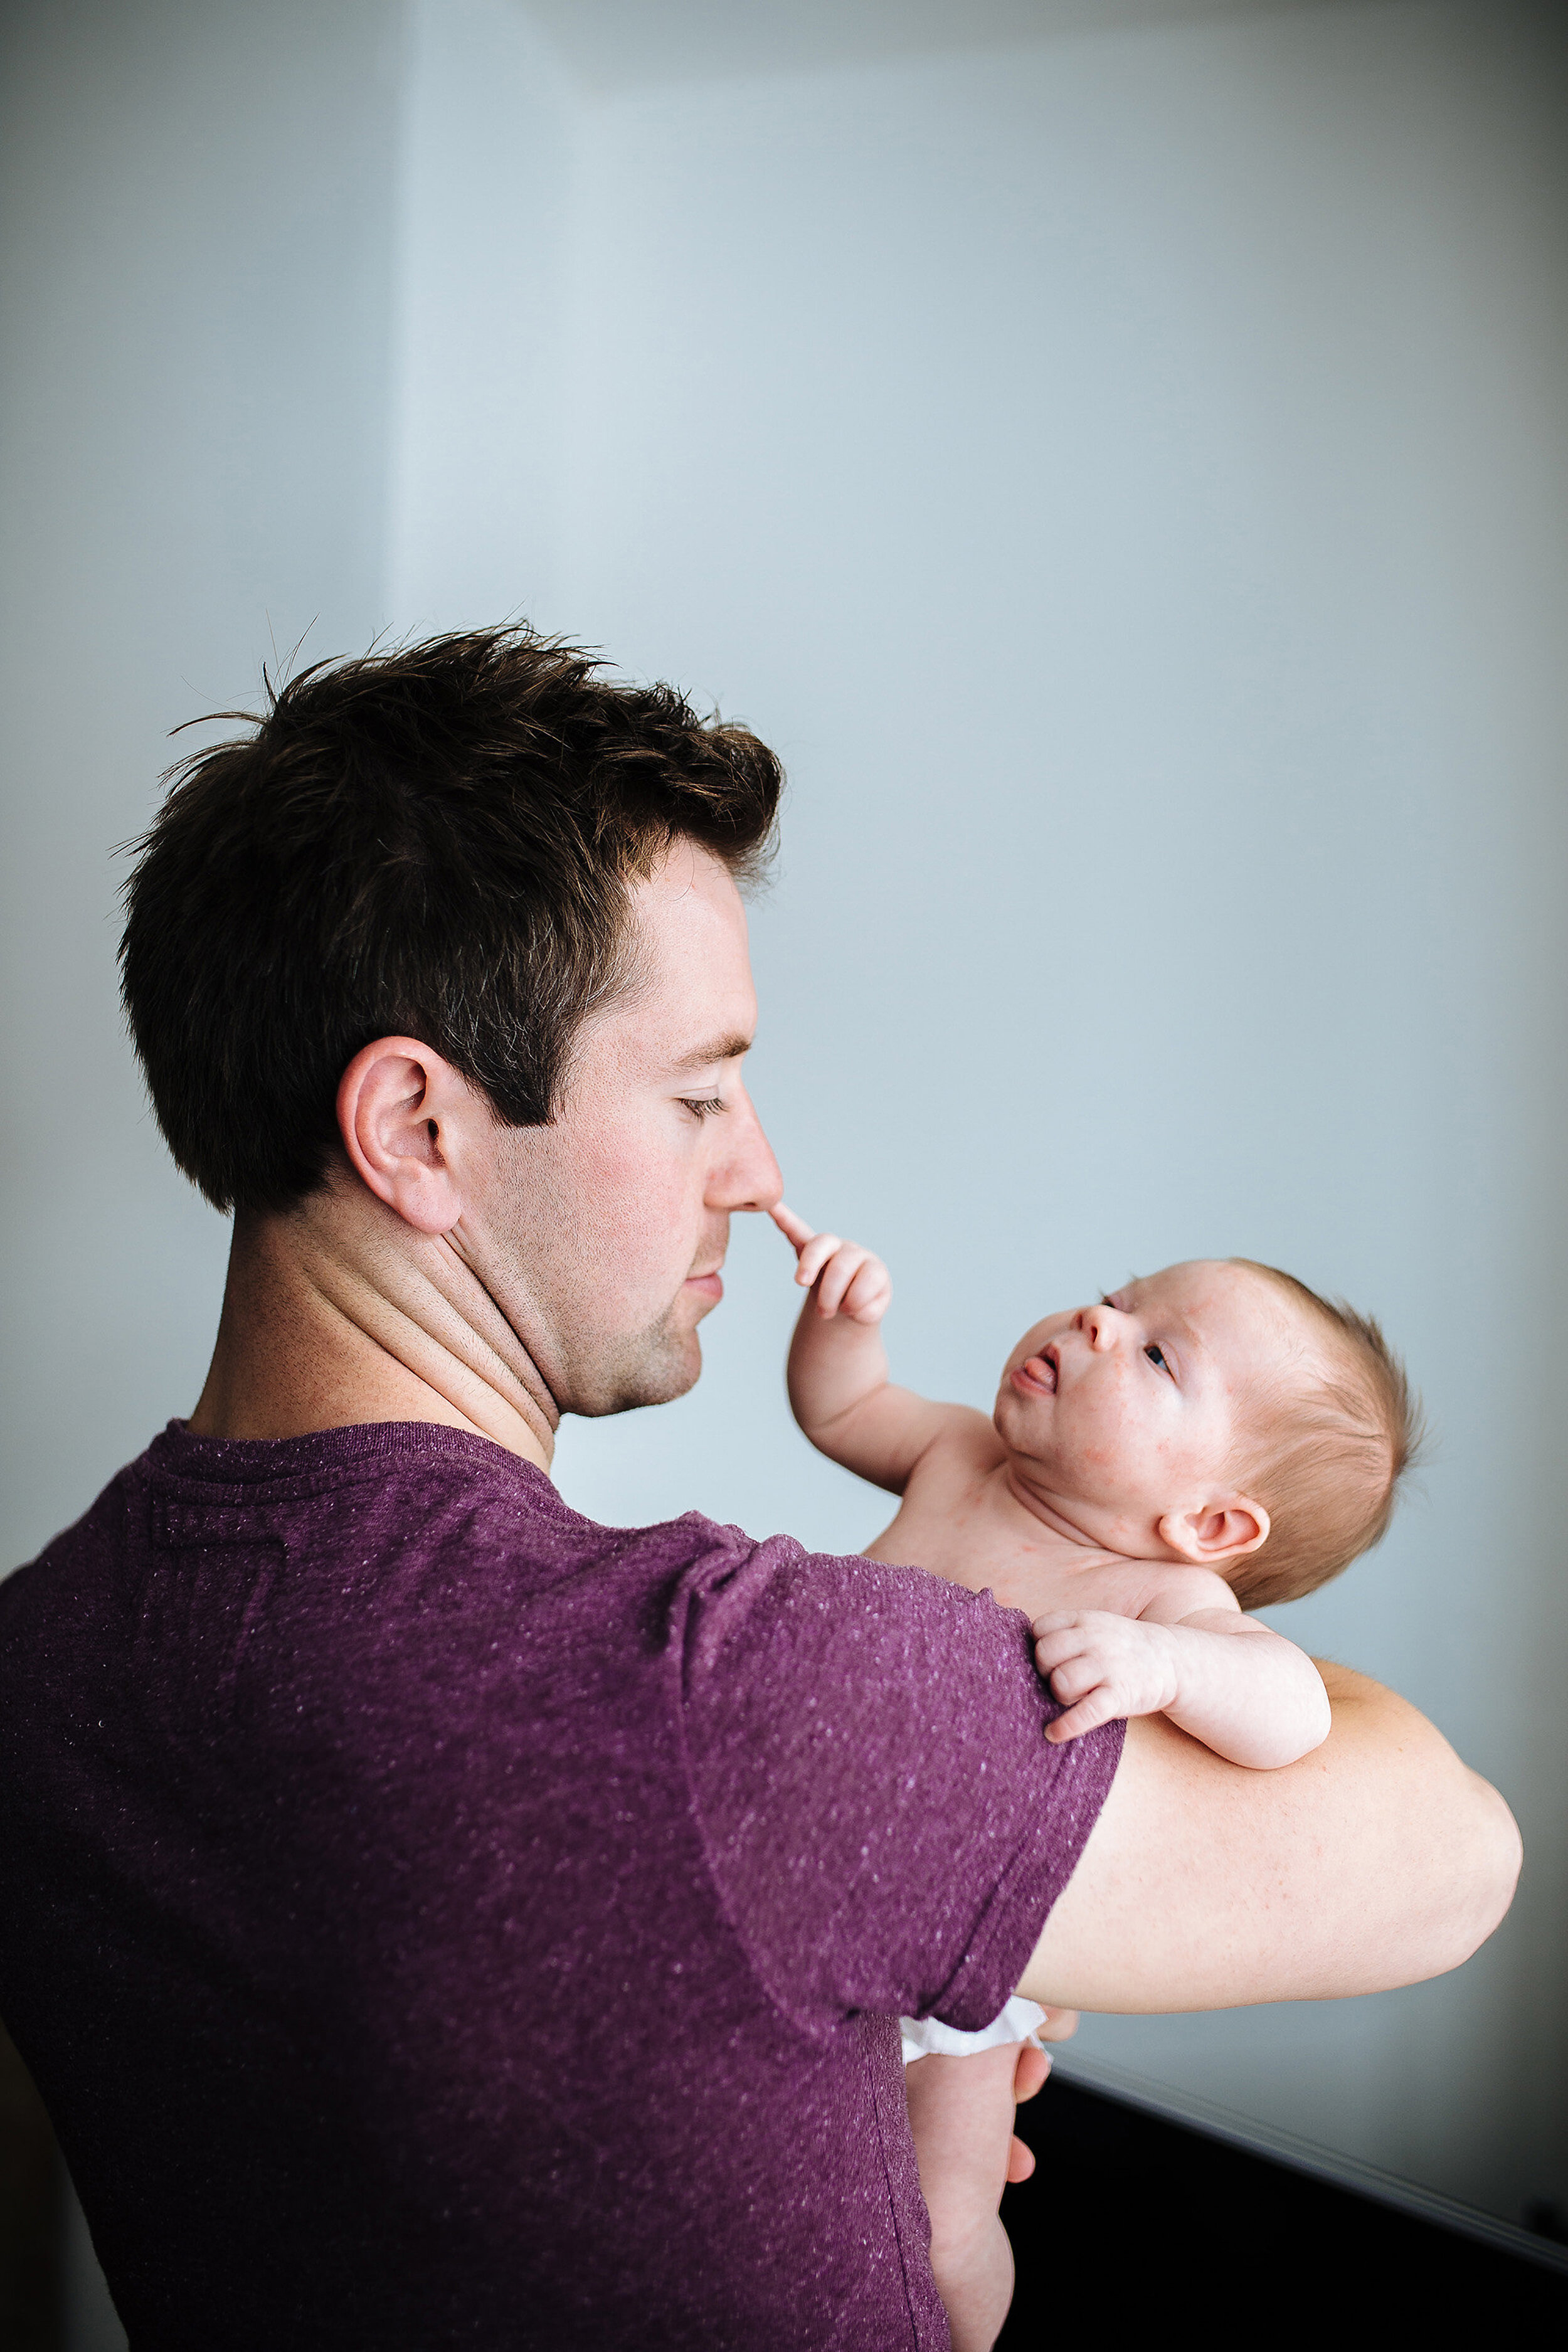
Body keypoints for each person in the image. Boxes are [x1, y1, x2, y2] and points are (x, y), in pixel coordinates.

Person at [0, 629, 1518, 2351]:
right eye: (701, 1088)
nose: (758, 1166)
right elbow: (1454, 1863)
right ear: (417, 1128)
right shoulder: (731, 1687)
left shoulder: (39, 1678)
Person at [778, 1217, 1421, 2349]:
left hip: (963, 1971)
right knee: (789, 2178)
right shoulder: (961, 1453)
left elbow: (1294, 1711)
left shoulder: (1157, 1594)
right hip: (803, 1909)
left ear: (1211, 1523)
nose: (1098, 1320)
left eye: (1159, 1355)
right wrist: (841, 1322)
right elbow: (839, 1409)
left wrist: (1170, 1667)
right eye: (1116, 1297)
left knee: (940, 2219)